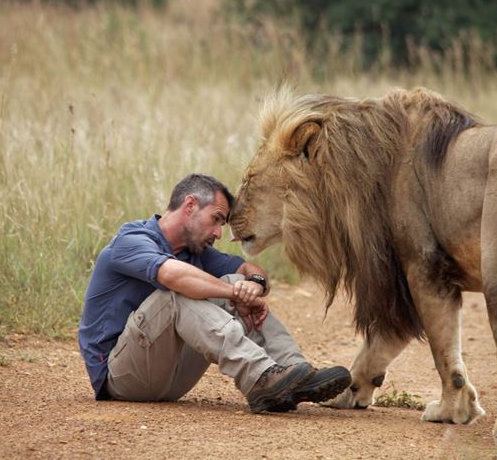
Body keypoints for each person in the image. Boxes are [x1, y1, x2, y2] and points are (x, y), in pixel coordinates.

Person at [78, 173, 351, 413]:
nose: (220, 233)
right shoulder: (131, 240)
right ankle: (260, 378)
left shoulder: (195, 252)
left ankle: (297, 373)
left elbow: (250, 269)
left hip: (171, 379)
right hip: (120, 377)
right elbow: (173, 276)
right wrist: (235, 292)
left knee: (230, 279)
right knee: (175, 293)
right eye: (216, 219)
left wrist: (252, 285)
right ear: (190, 206)